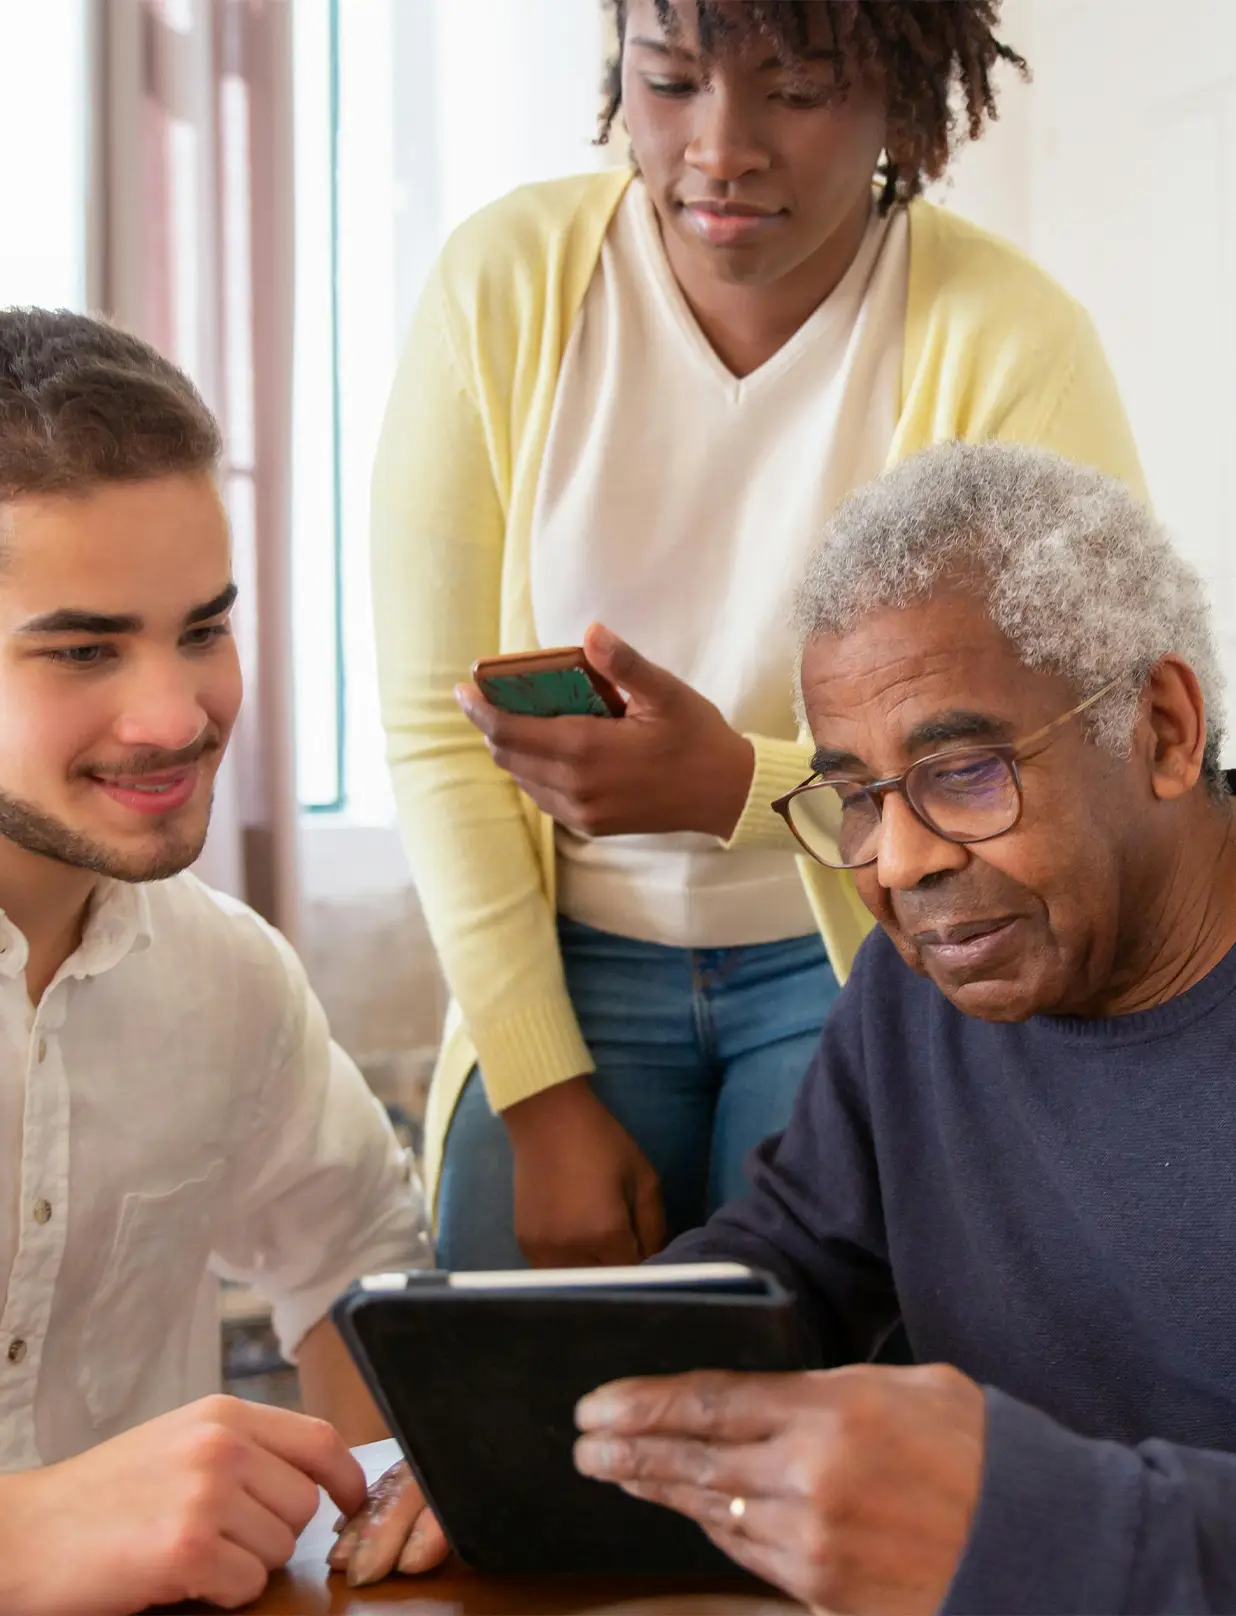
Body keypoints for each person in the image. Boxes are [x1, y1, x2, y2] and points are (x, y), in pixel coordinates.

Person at [336, 442, 1236, 1612]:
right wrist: (532, 1427)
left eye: (964, 770)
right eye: (858, 795)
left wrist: (1026, 1519)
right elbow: (793, 1259)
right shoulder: (926, 980)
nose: (901, 862)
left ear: (1161, 728)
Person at [371, 0, 1148, 1274]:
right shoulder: (503, 286)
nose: (720, 147)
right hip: (558, 953)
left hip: (860, 952)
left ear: (903, 93)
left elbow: (1068, 748)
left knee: (811, 1391)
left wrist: (741, 785)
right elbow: (431, 718)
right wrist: (539, 1091)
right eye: (669, 81)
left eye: (796, 91)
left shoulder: (1010, 340)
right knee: (503, 1413)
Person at [0, 308, 431, 1616]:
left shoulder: (228, 981)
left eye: (203, 630)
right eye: (82, 649)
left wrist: (404, 1503)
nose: (176, 715)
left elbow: (359, 1263)